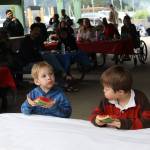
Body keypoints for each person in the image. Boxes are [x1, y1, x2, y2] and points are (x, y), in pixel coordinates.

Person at [89, 65, 150, 130]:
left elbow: (148, 121)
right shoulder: (106, 101)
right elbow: (94, 114)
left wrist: (123, 124)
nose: (103, 90)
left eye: (107, 89)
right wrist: (96, 121)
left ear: (120, 92)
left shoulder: (140, 99)